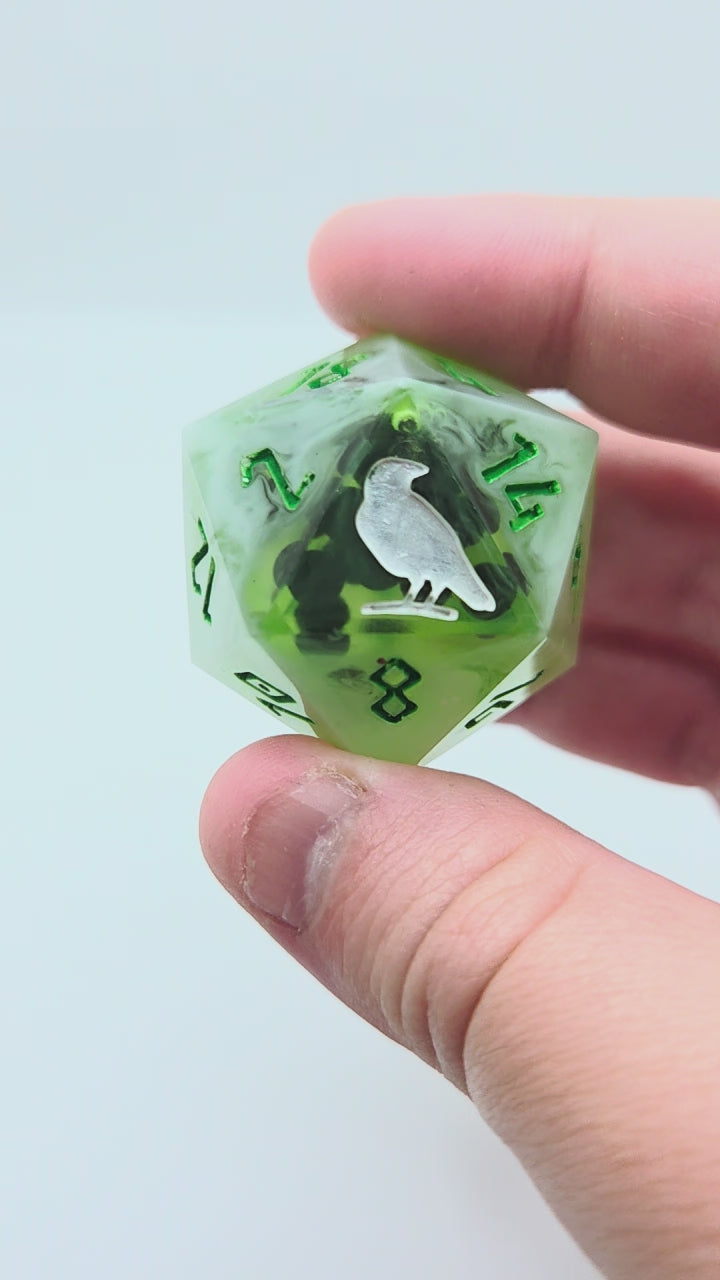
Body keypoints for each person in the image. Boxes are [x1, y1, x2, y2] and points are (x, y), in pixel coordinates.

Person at [199, 196, 720, 1279]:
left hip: (450, 608)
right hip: (402, 629)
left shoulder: (416, 506)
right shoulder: (368, 497)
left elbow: (441, 559)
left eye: (399, 478)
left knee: (446, 587)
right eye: (393, 478)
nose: (399, 482)